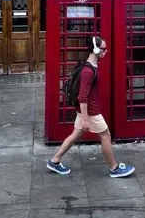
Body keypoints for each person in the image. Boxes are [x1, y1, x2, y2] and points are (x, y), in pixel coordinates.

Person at [47, 35, 135, 178]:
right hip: (91, 111)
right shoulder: (88, 71)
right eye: (103, 49)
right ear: (95, 49)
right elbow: (82, 97)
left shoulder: (90, 66)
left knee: (76, 134)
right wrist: (86, 119)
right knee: (106, 135)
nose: (106, 51)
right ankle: (114, 168)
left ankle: (54, 161)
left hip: (85, 111)